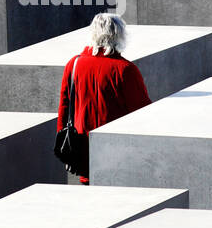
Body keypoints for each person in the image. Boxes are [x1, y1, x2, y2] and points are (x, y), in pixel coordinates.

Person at [57, 13, 152, 184]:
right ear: (119, 35)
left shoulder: (74, 63)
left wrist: (63, 144)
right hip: (117, 151)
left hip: (81, 148)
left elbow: (64, 107)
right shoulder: (125, 70)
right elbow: (142, 111)